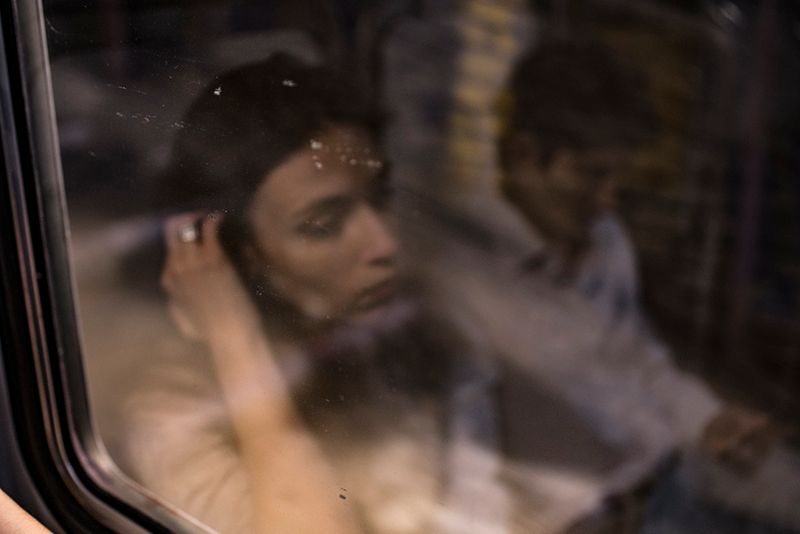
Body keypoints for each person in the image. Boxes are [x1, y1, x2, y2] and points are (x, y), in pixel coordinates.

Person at [121, 54, 515, 534]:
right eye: (324, 225)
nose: (385, 244)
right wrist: (236, 342)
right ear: (240, 257)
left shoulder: (411, 332)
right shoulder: (177, 411)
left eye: (381, 198)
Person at [494, 34, 799, 533]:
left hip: (670, 476)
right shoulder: (476, 277)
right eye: (592, 175)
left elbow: (639, 358)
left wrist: (706, 419)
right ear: (525, 157)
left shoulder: (605, 241)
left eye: (616, 178)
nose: (608, 200)